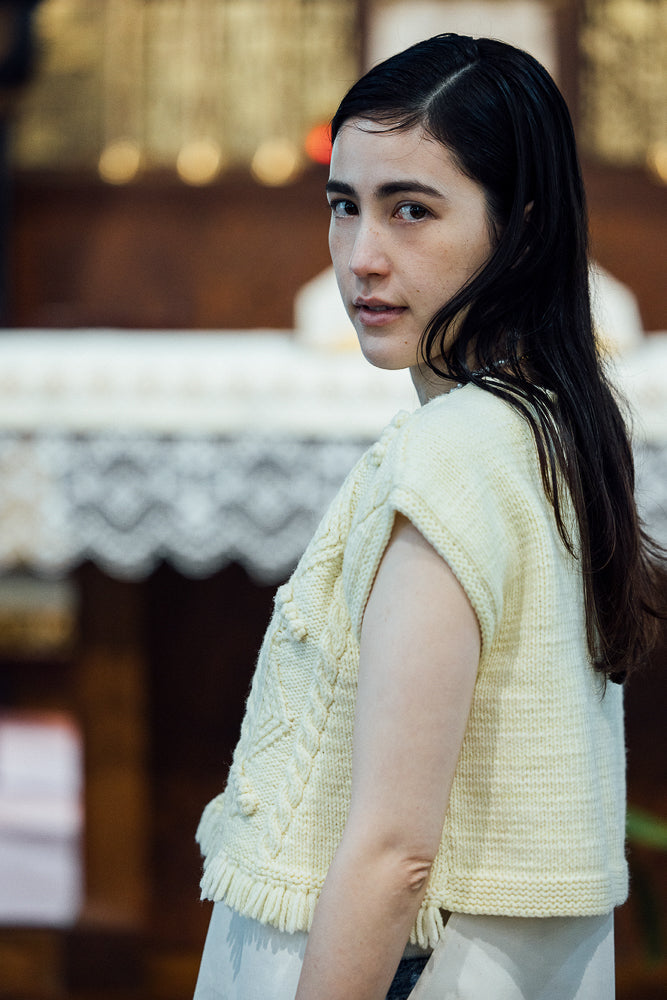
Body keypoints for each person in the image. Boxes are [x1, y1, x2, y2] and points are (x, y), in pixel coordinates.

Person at [193, 34, 664, 1000]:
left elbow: (393, 853)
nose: (361, 258)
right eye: (344, 206)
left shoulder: (451, 453)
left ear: (521, 229)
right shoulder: (550, 418)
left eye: (411, 209)